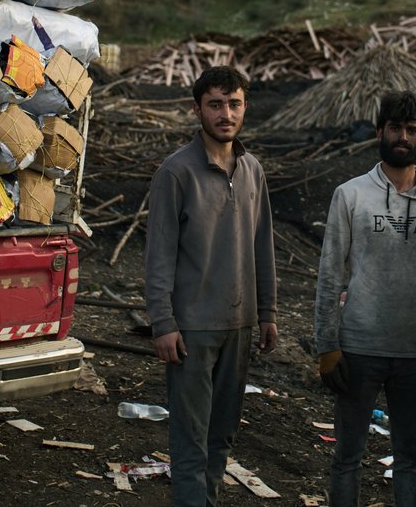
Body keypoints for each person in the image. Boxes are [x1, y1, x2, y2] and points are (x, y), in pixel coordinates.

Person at [314, 91, 416, 507]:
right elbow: (330, 275)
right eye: (394, 128)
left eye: (412, 130)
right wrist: (327, 345)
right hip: (358, 347)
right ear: (379, 132)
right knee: (347, 456)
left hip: (415, 351)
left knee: (410, 459)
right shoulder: (350, 194)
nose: (402, 136)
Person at [144, 65, 278, 506]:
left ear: (245, 107)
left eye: (234, 103)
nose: (226, 114)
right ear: (197, 109)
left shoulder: (253, 169)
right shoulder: (176, 172)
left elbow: (263, 245)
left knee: (222, 436)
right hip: (193, 330)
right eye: (216, 104)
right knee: (190, 441)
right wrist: (163, 323)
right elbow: (159, 255)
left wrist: (267, 313)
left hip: (239, 325)